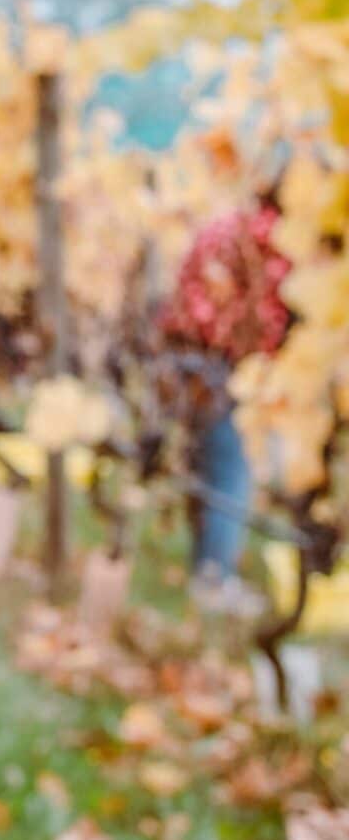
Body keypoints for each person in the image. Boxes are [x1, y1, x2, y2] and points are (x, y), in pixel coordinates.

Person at [157, 182, 290, 588]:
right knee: (231, 473)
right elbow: (274, 315)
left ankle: (205, 569)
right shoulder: (275, 236)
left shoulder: (227, 224)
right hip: (227, 366)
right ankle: (214, 579)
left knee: (206, 468)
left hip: (184, 358)